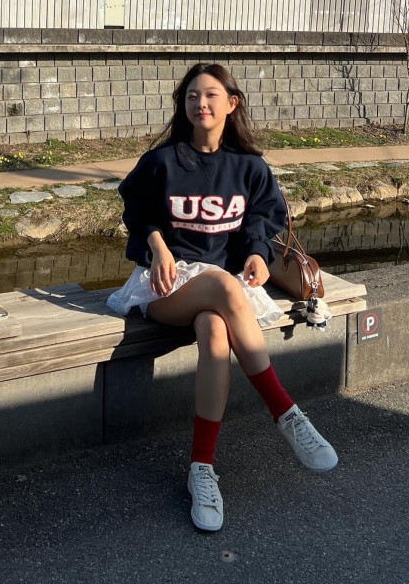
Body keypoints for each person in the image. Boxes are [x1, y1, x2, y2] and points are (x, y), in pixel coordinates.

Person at [107, 63, 338, 532]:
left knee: (215, 332)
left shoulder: (248, 167)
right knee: (225, 287)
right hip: (167, 286)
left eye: (211, 95)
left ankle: (201, 468)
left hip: (222, 290)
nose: (201, 103)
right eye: (192, 95)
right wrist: (157, 246)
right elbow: (137, 211)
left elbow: (261, 221)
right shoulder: (162, 161)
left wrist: (255, 253)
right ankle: (285, 412)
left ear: (231, 104)